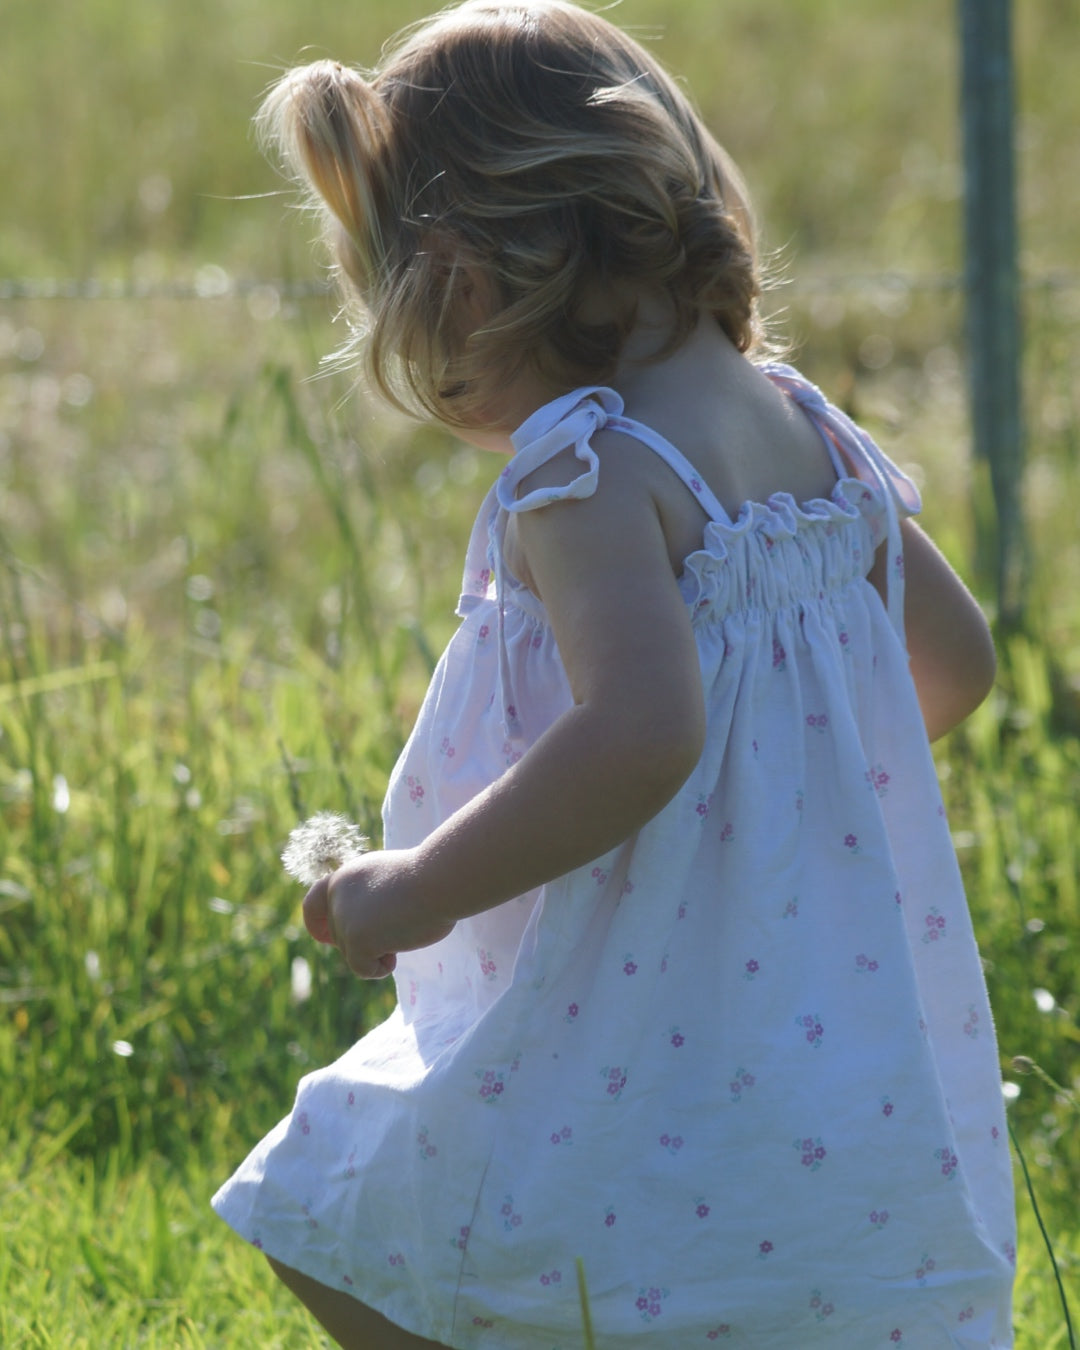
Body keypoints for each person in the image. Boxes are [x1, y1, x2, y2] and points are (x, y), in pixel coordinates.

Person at [212, 2, 1016, 1345]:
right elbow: (957, 664)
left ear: (463, 285)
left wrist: (417, 885)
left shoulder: (587, 470)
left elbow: (641, 732)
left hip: (631, 987)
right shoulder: (806, 429)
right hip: (815, 1008)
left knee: (336, 1192)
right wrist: (783, 804)